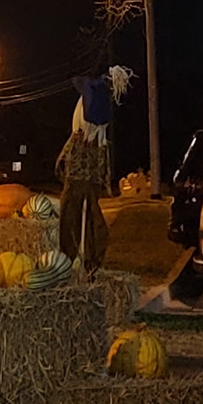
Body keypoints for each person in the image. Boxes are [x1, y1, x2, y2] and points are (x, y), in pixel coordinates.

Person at [56, 68, 131, 269]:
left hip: (83, 169)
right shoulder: (93, 107)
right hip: (86, 167)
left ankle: (82, 261)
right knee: (81, 216)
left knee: (81, 217)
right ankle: (81, 261)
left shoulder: (92, 107)